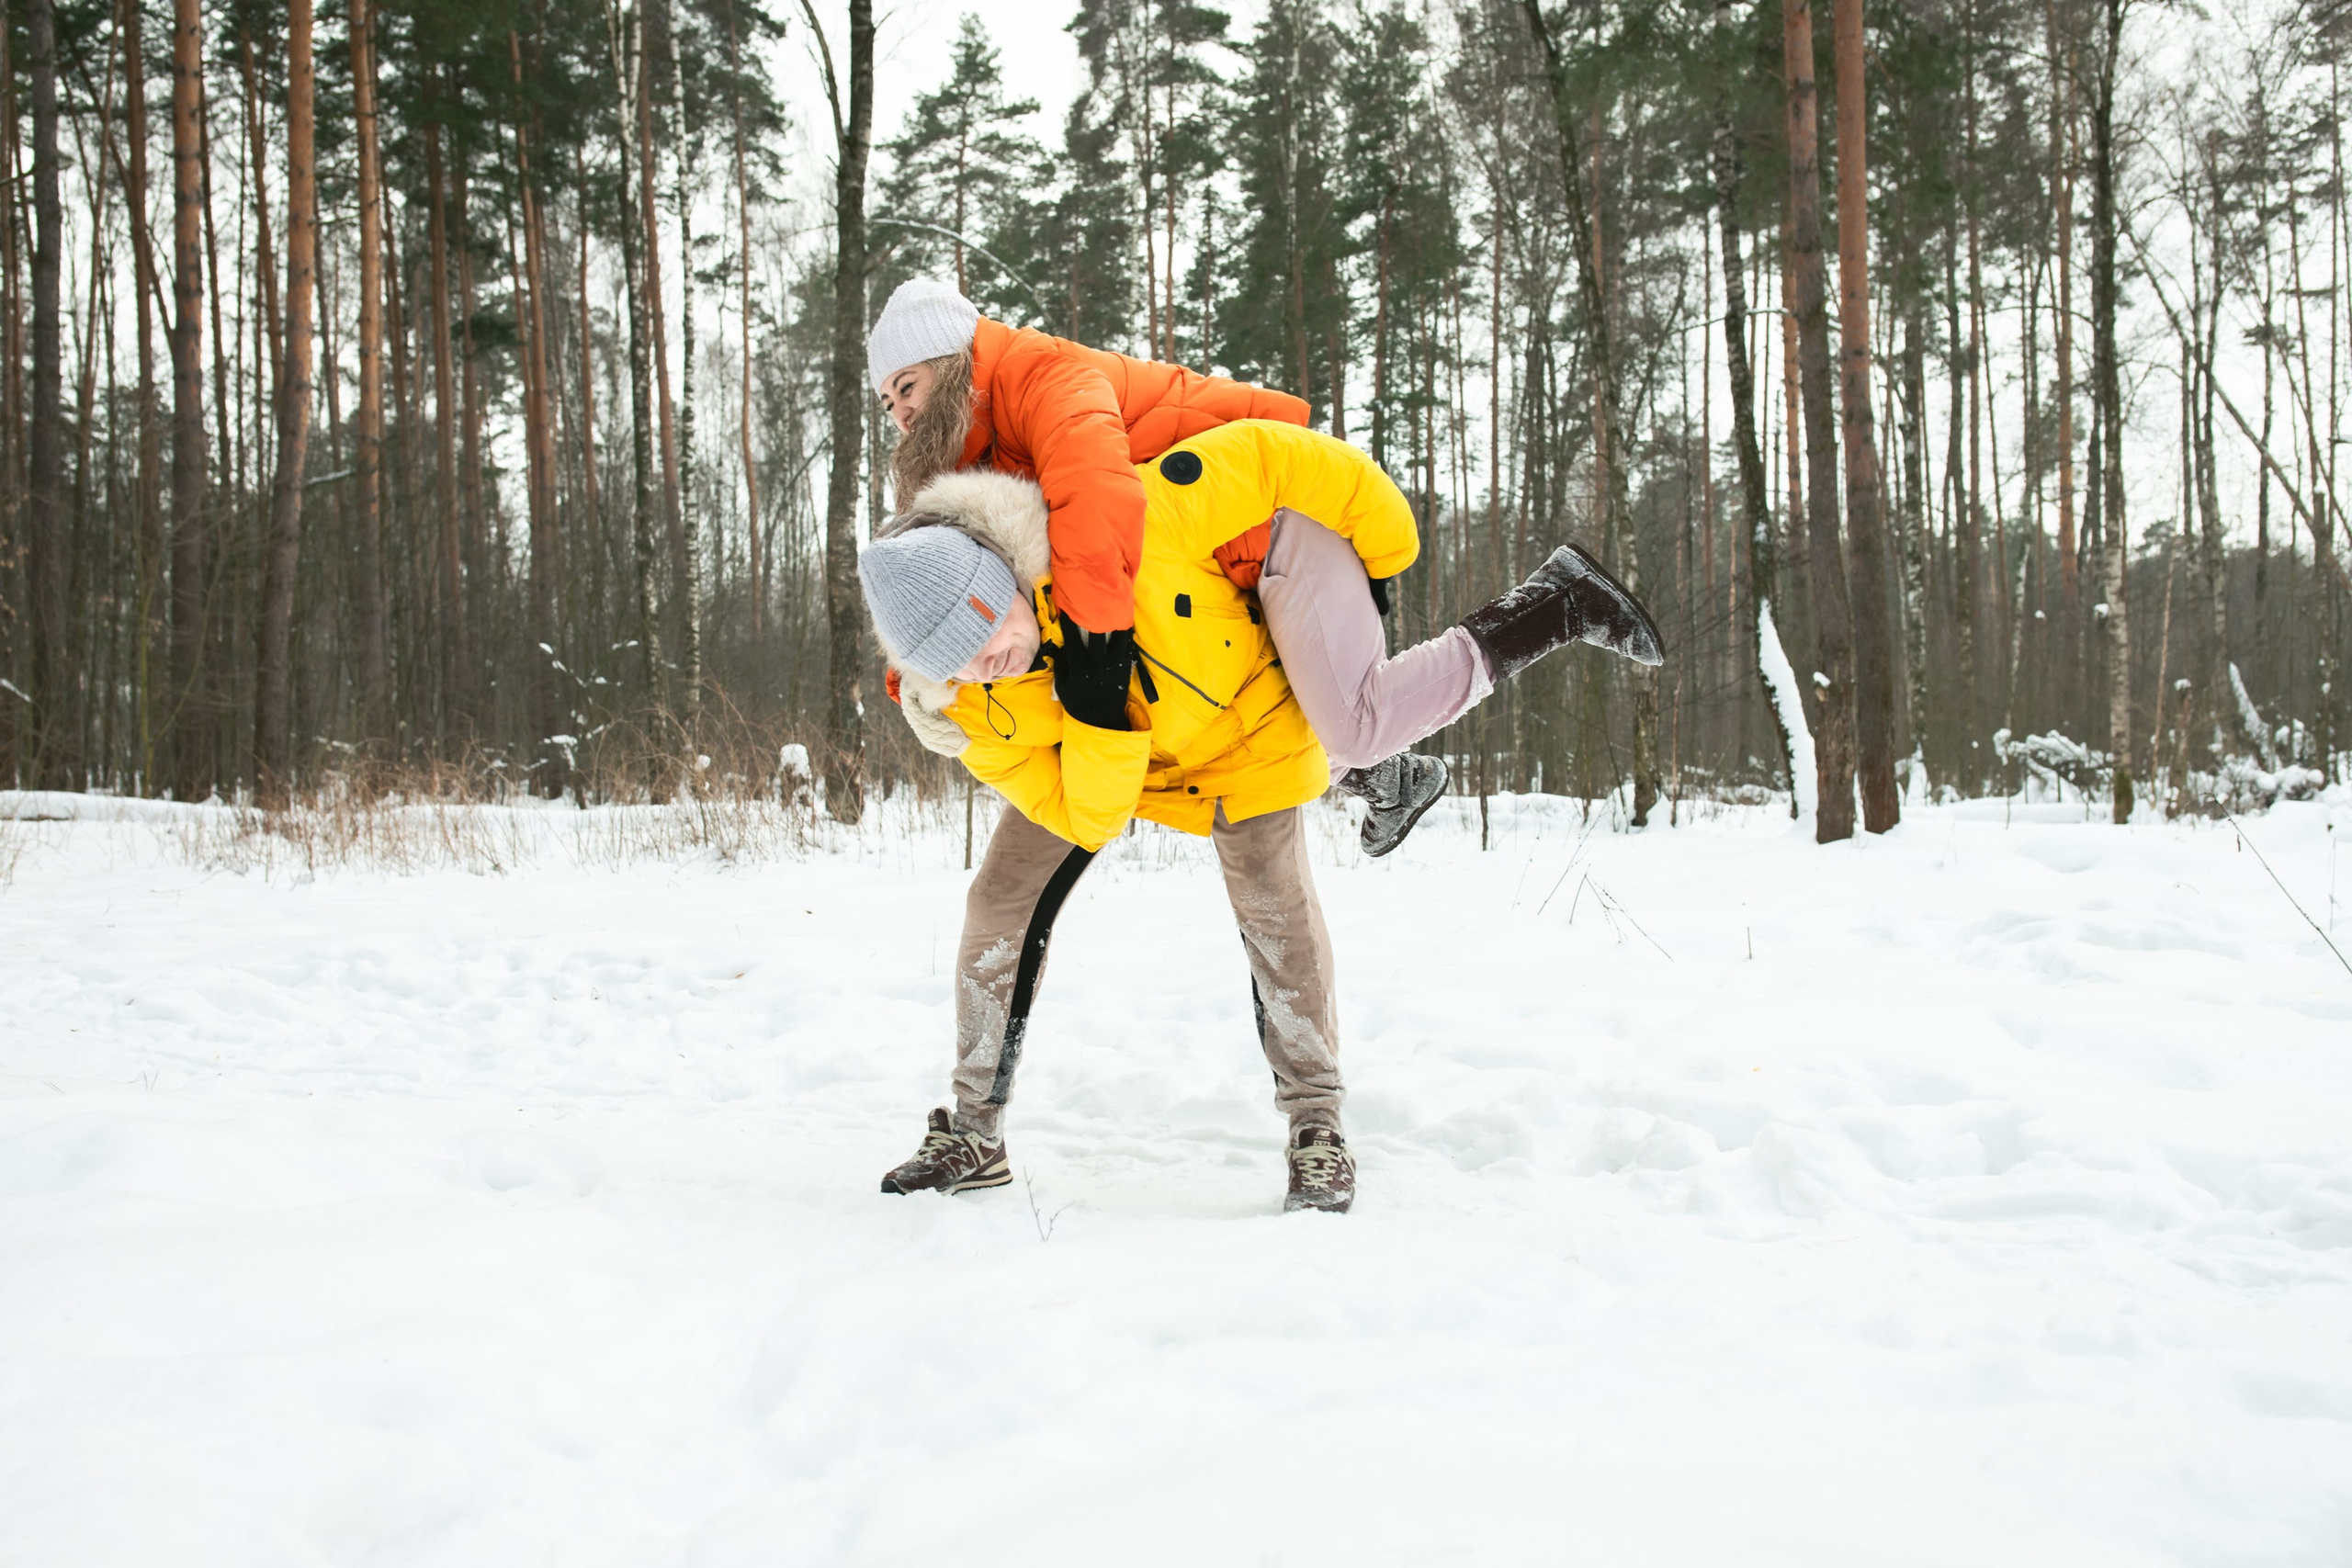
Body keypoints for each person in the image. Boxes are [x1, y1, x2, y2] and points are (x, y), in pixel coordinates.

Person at [854, 419, 1661, 1213]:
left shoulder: (1123, 525)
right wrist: (1099, 717)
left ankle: (1318, 1127)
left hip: (1250, 734)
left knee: (1277, 911)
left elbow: (1266, 454)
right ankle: (973, 1132)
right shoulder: (971, 712)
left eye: (984, 634)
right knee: (999, 899)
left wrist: (1385, 547)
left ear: (1003, 578)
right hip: (1126, 768)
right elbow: (1086, 816)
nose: (982, 666)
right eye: (953, 663)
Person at [869, 276, 1497, 855]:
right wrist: (918, 681)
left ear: (956, 361)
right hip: (1200, 563)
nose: (899, 411)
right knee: (1227, 723)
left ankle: (1536, 617)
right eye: (887, 400)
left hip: (1271, 520)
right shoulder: (964, 452)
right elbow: (924, 588)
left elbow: (1095, 501)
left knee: (1348, 725)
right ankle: (1394, 778)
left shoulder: (1041, 375)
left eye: (907, 385)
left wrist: (1099, 644)